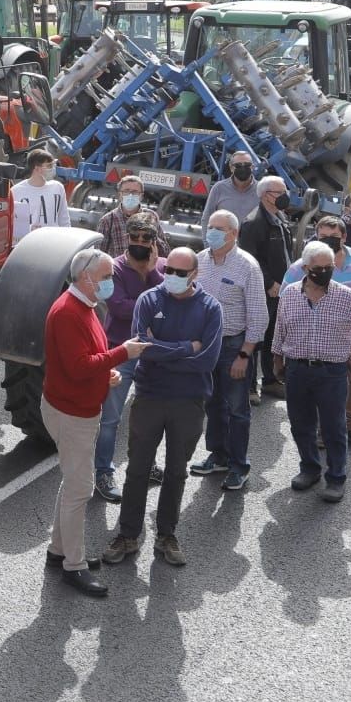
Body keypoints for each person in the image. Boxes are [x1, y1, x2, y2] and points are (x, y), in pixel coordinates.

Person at [103, 245, 220, 569]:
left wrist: (162, 349)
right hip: (150, 397)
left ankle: (167, 534)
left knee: (176, 472)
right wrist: (186, 348)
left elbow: (206, 360)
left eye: (181, 274)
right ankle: (128, 534)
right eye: (170, 271)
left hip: (189, 401)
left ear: (195, 275)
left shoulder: (211, 309)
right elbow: (141, 348)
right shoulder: (149, 300)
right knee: (137, 469)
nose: (172, 277)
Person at [42, 249, 146, 595]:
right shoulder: (69, 313)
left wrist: (108, 373)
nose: (109, 282)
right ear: (85, 278)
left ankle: (58, 552)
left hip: (79, 408)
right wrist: (122, 354)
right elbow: (79, 367)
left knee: (73, 483)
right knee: (79, 489)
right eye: (105, 277)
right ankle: (74, 565)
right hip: (72, 413)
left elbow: (88, 360)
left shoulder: (84, 306)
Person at [274, 240, 351, 502]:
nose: (324, 272)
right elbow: (280, 328)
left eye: (329, 266)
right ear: (306, 268)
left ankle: (336, 478)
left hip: (332, 372)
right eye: (318, 267)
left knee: (334, 427)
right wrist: (277, 360)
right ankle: (309, 469)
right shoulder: (289, 294)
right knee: (301, 425)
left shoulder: (345, 296)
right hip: (297, 369)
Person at [188, 210, 265, 490]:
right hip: (207, 346)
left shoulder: (247, 266)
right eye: (210, 227)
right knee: (213, 404)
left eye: (218, 228)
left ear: (233, 234)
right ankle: (218, 455)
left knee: (237, 409)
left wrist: (245, 354)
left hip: (234, 346)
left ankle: (238, 465)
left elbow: (259, 316)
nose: (212, 232)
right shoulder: (199, 261)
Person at [283, 215, 351, 444]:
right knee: (323, 386)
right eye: (323, 237)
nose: (329, 241)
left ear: (344, 236)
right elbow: (286, 303)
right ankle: (323, 430)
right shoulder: (299, 268)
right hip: (319, 339)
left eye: (334, 237)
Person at [94, 219, 164, 502]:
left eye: (145, 237)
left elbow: (169, 301)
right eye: (133, 236)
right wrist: (152, 305)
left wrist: (151, 272)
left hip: (151, 353)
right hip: (121, 351)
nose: (138, 242)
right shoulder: (114, 268)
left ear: (154, 240)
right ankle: (103, 472)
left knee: (149, 418)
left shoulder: (161, 267)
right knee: (110, 419)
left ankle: (146, 465)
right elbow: (121, 310)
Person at [240, 175, 292, 401]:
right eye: (279, 193)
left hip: (281, 290)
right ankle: (250, 387)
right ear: (265, 196)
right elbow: (251, 258)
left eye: (284, 191)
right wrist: (269, 283)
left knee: (273, 338)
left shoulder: (280, 218)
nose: (284, 196)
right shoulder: (254, 223)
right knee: (257, 337)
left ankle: (270, 381)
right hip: (265, 291)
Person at [95, 176, 165, 256]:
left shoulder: (151, 216)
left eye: (135, 192)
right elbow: (99, 253)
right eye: (126, 191)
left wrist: (152, 235)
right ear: (120, 194)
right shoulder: (108, 220)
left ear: (141, 196)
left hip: (145, 267)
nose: (130, 195)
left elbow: (164, 250)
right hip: (118, 267)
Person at [12, 149, 69, 242]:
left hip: (53, 243)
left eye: (53, 165)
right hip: (28, 244)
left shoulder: (58, 188)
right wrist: (30, 229)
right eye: (49, 166)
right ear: (37, 169)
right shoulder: (16, 191)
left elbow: (64, 219)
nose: (53, 169)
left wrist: (67, 240)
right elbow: (13, 225)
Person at [201, 150, 261, 224]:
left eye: (247, 165)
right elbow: (206, 218)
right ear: (231, 168)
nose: (243, 168)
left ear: (252, 167)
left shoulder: (262, 191)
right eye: (238, 165)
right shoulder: (219, 188)